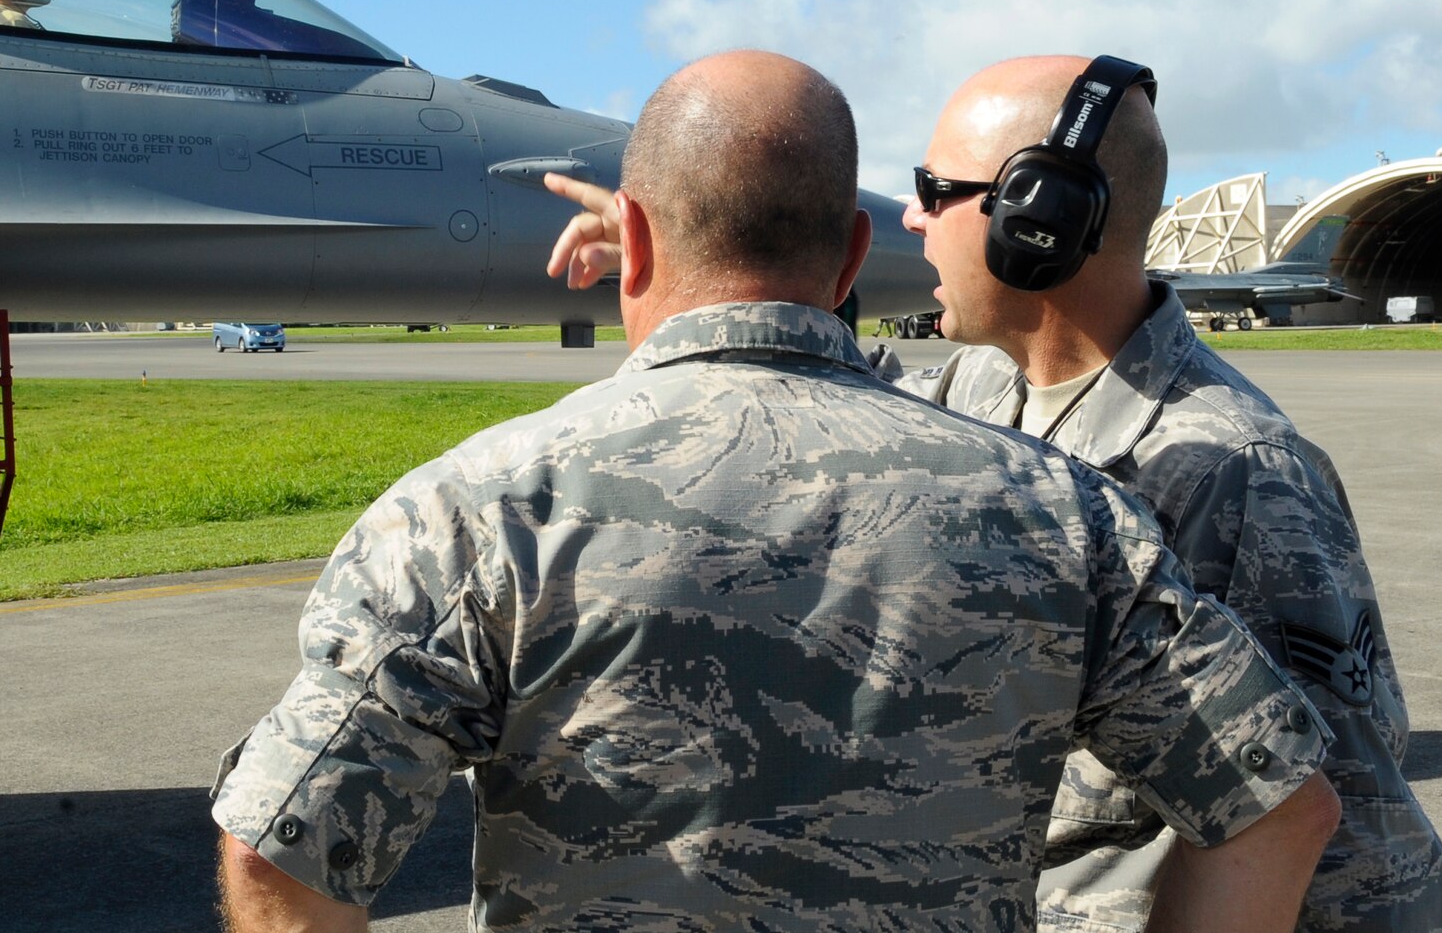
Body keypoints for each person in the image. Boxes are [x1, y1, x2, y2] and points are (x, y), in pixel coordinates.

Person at [215, 50, 1337, 932]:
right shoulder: (1067, 512)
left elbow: (282, 845)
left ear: (634, 234)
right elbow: (1279, 806)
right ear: (851, 256)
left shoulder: (474, 512)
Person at [547, 53, 1442, 932]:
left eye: (937, 192)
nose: (912, 216)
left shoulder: (1236, 470)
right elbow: (822, 412)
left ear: (1041, 221)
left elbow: (1359, 854)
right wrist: (675, 260)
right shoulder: (979, 394)